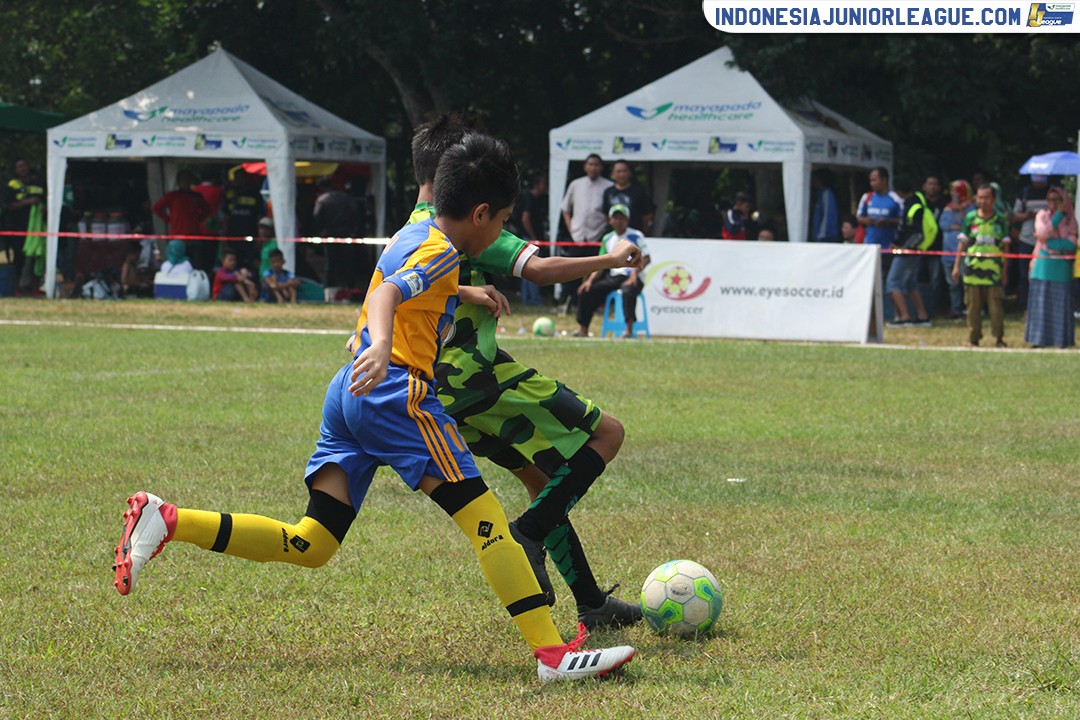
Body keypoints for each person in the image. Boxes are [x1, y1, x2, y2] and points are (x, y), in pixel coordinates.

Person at [113, 132, 636, 682]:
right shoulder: (443, 251)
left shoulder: (417, 232)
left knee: (312, 542)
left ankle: (169, 519)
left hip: (349, 394)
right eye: (502, 219)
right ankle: (554, 656)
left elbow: (391, 279)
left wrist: (461, 295)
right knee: (490, 526)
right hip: (397, 394)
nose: (503, 230)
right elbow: (389, 295)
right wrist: (385, 343)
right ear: (480, 213)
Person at [409, 114, 645, 630]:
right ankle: (529, 533)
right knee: (608, 433)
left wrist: (464, 290)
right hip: (477, 377)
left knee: (541, 481)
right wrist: (610, 260)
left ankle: (592, 603)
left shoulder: (412, 227)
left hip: (437, 395)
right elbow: (538, 267)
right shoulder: (469, 221)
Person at [575, 204, 650, 338]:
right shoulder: (607, 239)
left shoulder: (636, 235)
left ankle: (628, 330)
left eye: (622, 218)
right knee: (587, 291)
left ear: (627, 220)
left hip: (633, 275)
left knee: (628, 290)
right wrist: (590, 281)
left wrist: (634, 273)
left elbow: (647, 258)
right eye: (616, 218)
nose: (619, 221)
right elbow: (600, 264)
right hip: (614, 276)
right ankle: (583, 329)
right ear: (610, 220)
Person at [952, 184, 1010, 347]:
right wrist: (957, 266)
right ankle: (973, 338)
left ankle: (999, 338)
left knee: (996, 308)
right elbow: (962, 244)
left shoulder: (1000, 219)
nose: (982, 201)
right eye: (980, 197)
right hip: (972, 270)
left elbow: (1006, 247)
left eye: (986, 197)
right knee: (972, 308)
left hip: (994, 271)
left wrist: (1005, 271)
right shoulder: (970, 218)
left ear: (993, 199)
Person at [1025, 186, 1077, 348]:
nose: (1053, 203)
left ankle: (1060, 340)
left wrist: (1049, 243)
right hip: (1042, 266)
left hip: (1061, 268)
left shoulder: (1071, 220)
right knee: (1041, 305)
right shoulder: (1042, 215)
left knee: (1060, 306)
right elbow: (1042, 234)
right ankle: (1038, 340)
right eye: (1050, 200)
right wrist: (1056, 217)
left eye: (1057, 200)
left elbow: (1071, 244)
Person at [559, 154, 613, 303]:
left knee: (594, 270)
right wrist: (571, 227)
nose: (593, 167)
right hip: (577, 236)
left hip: (597, 236)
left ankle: (589, 303)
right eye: (590, 164)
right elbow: (565, 209)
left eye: (596, 165)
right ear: (585, 166)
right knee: (570, 270)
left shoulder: (608, 186)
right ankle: (567, 301)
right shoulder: (576, 184)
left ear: (601, 167)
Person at [885, 176, 932, 328]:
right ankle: (922, 316)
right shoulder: (917, 200)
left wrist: (903, 248)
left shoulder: (913, 207)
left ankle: (904, 317)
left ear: (899, 191)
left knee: (893, 283)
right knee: (911, 284)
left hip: (908, 251)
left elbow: (914, 232)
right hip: (914, 249)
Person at [313, 177, 363, 300]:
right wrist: (353, 230)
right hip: (347, 235)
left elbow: (316, 218)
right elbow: (356, 213)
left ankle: (330, 294)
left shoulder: (322, 200)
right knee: (348, 264)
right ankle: (350, 291)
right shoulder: (345, 197)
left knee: (331, 265)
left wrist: (319, 232)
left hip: (330, 236)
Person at [153, 170, 213, 272]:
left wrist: (199, 219)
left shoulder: (196, 196)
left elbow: (207, 209)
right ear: (178, 181)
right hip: (177, 237)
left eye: (188, 179)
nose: (186, 182)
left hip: (194, 236)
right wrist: (168, 220)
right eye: (183, 179)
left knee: (196, 266)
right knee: (176, 265)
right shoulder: (171, 196)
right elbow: (156, 208)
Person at [5, 159, 46, 296]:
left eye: (24, 165)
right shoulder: (12, 185)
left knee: (37, 257)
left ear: (29, 166)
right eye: (19, 167)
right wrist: (28, 202)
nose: (22, 169)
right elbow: (9, 205)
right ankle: (18, 288)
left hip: (37, 228)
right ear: (15, 170)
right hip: (19, 227)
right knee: (19, 257)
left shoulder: (39, 183)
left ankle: (35, 288)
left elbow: (46, 200)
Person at [1011, 175, 1051, 314]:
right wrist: (1028, 215)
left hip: (1047, 242)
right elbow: (1014, 215)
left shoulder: (1052, 193)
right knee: (1024, 275)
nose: (1039, 181)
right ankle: (1025, 307)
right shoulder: (1024, 193)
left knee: (1045, 275)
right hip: (1027, 240)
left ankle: (1043, 307)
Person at [939, 180, 974, 319]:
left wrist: (960, 210)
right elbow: (944, 225)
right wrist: (955, 225)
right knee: (952, 284)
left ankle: (970, 308)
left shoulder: (971, 209)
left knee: (966, 282)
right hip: (948, 252)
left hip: (964, 252)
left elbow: (967, 226)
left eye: (956, 191)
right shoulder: (947, 208)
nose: (953, 194)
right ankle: (956, 309)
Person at [516, 174, 547, 306]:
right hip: (529, 239)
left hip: (529, 238)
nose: (545, 187)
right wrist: (533, 236)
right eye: (543, 183)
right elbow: (525, 218)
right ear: (537, 184)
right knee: (532, 269)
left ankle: (528, 299)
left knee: (525, 270)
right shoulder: (529, 199)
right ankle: (533, 299)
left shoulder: (535, 199)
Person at [602, 160, 655, 234]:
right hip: (614, 234)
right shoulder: (608, 192)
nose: (622, 174)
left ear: (629, 173)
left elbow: (647, 215)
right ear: (613, 174)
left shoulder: (639, 191)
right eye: (618, 172)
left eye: (624, 171)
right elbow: (606, 214)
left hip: (633, 233)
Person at [920, 174, 948, 314]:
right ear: (924, 186)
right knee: (918, 279)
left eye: (935, 184)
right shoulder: (919, 203)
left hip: (937, 248)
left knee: (936, 280)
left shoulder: (944, 205)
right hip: (919, 248)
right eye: (929, 183)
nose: (932, 187)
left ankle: (935, 309)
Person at [810, 168, 839, 242]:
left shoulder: (826, 194)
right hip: (820, 234)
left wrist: (822, 234)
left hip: (826, 235)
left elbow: (827, 214)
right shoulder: (819, 194)